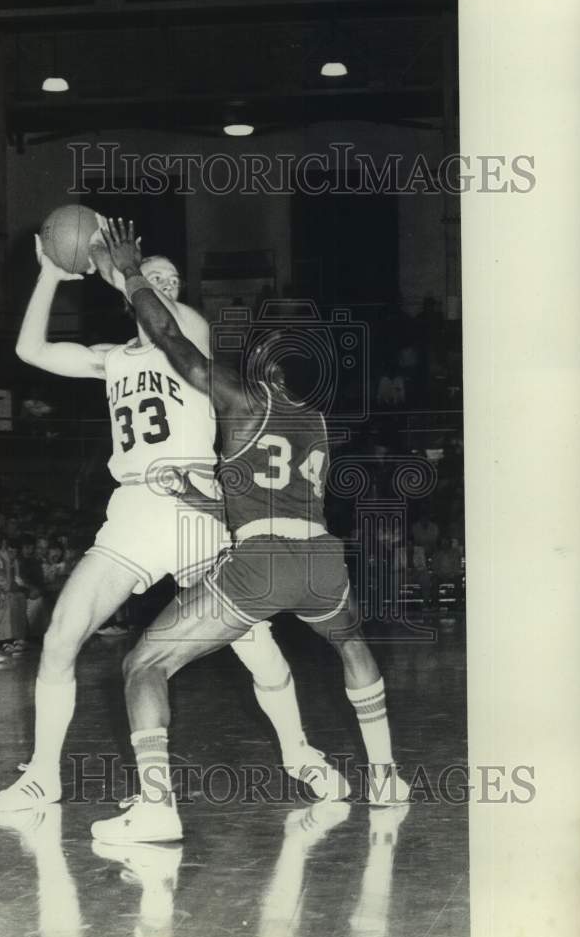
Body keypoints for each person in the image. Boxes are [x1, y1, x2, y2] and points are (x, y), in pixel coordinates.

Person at [90, 219, 409, 844]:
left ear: (261, 360)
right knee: (352, 646)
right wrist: (207, 503)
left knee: (145, 662)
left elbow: (169, 338)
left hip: (262, 564)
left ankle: (156, 810)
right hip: (322, 561)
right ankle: (387, 776)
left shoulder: (241, 400)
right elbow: (278, 498)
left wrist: (130, 273)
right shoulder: (316, 422)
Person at [0, 221, 329, 812]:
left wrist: (119, 268)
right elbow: (28, 351)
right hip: (132, 512)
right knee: (61, 636)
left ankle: (299, 751)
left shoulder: (191, 339)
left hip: (194, 513)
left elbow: (166, 322)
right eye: (157, 279)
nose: (167, 287)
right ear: (132, 294)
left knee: (256, 646)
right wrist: (52, 271)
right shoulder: (110, 359)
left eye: (174, 282)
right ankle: (45, 772)